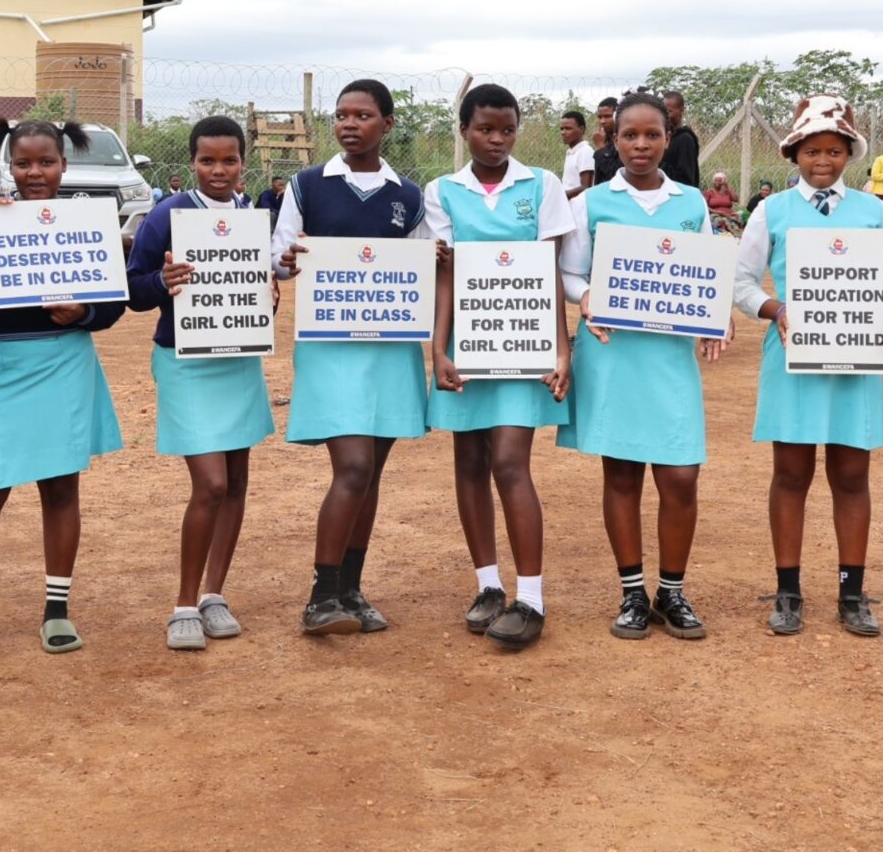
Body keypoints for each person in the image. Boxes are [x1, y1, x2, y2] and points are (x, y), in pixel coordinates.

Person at [0, 118, 124, 667]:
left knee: (61, 488)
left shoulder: (87, 220)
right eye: (24, 164)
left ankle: (57, 610)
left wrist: (84, 311)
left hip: (65, 359)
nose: (35, 173)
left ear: (65, 165)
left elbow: (111, 302)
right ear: (7, 166)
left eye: (46, 163)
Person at [559, 91, 727, 641]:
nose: (640, 144)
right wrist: (585, 298)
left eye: (651, 134)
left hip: (668, 359)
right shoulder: (591, 203)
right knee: (623, 473)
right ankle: (632, 593)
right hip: (613, 354)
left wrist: (712, 318)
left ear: (668, 136)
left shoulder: (691, 203)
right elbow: (571, 273)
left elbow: (705, 276)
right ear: (614, 139)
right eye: (629, 135)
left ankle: (671, 592)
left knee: (681, 476)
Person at [273, 79, 430, 636]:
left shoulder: (409, 196)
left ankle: (352, 589)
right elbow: (278, 254)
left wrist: (431, 258)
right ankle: (320, 595)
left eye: (363, 115)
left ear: (387, 124)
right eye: (341, 115)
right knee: (353, 466)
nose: (349, 123)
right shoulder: (307, 185)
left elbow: (424, 267)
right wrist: (288, 260)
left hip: (390, 347)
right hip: (332, 346)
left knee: (372, 473)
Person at [425, 84, 573, 648]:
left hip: (525, 347)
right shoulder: (441, 193)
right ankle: (488, 585)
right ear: (464, 130)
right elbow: (445, 278)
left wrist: (563, 350)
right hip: (469, 343)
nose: (496, 139)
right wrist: (438, 350)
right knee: (469, 461)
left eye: (507, 129)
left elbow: (551, 272)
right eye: (485, 129)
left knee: (510, 462)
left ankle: (530, 598)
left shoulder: (542, 186)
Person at [734, 95, 883, 637]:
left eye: (836, 150)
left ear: (850, 154)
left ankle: (852, 592)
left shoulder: (874, 212)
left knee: (851, 475)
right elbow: (741, 282)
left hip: (855, 360)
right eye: (812, 150)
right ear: (793, 152)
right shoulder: (771, 211)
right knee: (791, 474)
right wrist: (775, 310)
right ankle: (789, 590)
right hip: (792, 356)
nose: (823, 161)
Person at [127, 116, 274, 650]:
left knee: (235, 482)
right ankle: (184, 605)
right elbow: (133, 291)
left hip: (237, 360)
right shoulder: (168, 214)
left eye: (229, 160)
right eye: (208, 160)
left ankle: (215, 594)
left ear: (243, 163)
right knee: (210, 484)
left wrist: (268, 293)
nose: (219, 170)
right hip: (185, 361)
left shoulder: (252, 215)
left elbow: (261, 281)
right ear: (191, 162)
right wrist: (163, 283)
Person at [660, 91, 701, 188]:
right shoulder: (666, 137)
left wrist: (657, 164)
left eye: (669, 111)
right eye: (663, 112)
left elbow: (686, 180)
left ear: (682, 110)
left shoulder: (685, 140)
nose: (666, 116)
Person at [559, 110, 594, 200]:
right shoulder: (571, 152)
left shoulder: (585, 151)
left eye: (568, 128)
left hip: (578, 206)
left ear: (581, 129)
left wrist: (560, 196)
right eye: (562, 129)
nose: (563, 132)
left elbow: (586, 187)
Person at [591, 97, 622, 185]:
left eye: (608, 116)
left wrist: (601, 148)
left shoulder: (624, 141)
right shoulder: (605, 139)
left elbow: (616, 174)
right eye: (600, 117)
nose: (602, 121)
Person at [704, 172, 743, 236]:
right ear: (713, 181)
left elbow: (736, 199)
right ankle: (725, 235)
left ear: (723, 182)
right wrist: (718, 212)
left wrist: (728, 187)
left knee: (737, 220)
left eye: (720, 180)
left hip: (729, 215)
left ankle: (737, 237)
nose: (717, 182)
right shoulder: (709, 192)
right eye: (716, 180)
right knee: (723, 221)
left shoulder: (727, 192)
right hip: (715, 215)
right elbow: (704, 206)